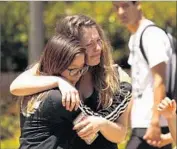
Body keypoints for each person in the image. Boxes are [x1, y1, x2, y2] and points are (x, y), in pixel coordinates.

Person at [10, 14, 132, 123]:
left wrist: (101, 123)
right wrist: (59, 81)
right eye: (89, 44)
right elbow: (15, 87)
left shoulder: (114, 75)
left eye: (99, 41)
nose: (98, 48)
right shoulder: (51, 68)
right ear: (72, 46)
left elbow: (120, 132)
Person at [19, 34, 130, 149]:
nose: (78, 76)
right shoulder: (61, 98)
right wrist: (123, 96)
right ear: (56, 65)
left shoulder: (34, 89)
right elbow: (93, 133)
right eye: (73, 70)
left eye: (81, 69)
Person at [112, 1, 172, 149]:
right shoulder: (135, 38)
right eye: (116, 7)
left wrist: (155, 121)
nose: (120, 12)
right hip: (141, 124)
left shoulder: (151, 35)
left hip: (153, 124)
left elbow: (160, 80)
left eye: (125, 6)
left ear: (138, 4)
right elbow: (138, 86)